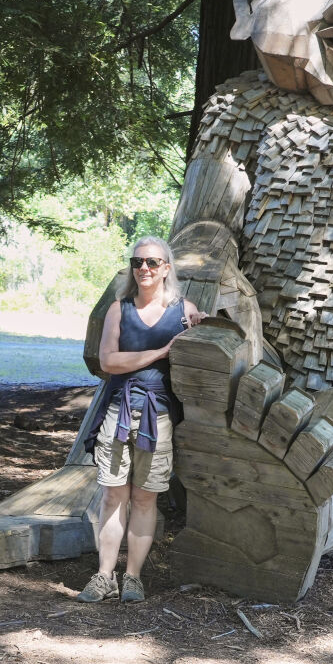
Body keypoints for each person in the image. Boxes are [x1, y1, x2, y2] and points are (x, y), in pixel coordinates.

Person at [78, 237, 200, 603]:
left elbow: (202, 354)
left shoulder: (184, 310)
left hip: (158, 416)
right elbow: (108, 363)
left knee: (145, 499)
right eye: (137, 262)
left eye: (152, 262)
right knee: (114, 495)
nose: (144, 268)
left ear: (166, 268)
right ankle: (104, 576)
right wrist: (162, 351)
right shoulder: (119, 309)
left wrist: (201, 331)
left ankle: (132, 577)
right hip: (118, 411)